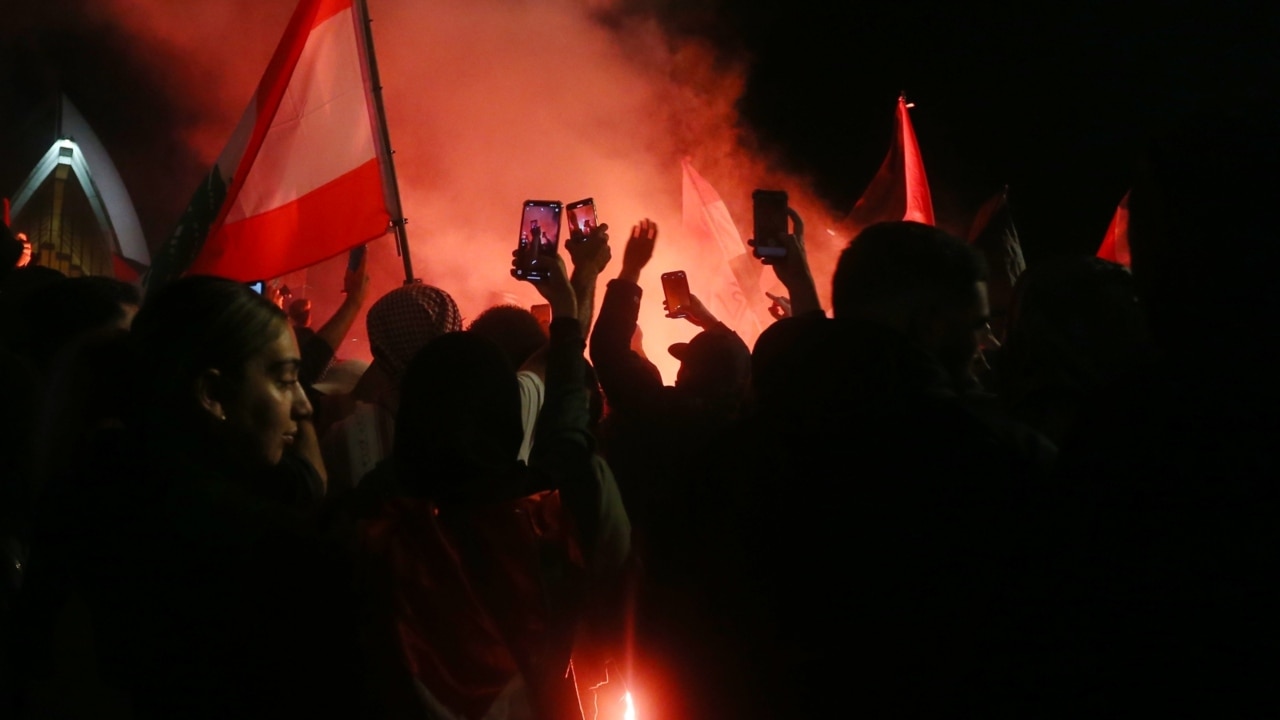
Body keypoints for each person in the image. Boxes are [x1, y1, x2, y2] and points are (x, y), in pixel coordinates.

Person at [14, 276, 364, 719]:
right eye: (284, 379)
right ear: (213, 394)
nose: (303, 405)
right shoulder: (272, 555)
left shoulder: (79, 496)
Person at [348, 252, 630, 720]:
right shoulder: (546, 513)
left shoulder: (375, 521)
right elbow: (566, 425)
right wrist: (566, 305)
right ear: (506, 410)